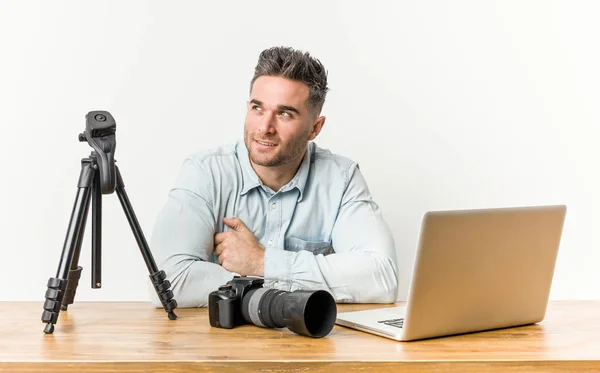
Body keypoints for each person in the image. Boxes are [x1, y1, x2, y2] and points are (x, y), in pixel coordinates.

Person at [150, 46, 398, 307]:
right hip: (220, 343)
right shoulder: (205, 172)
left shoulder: (341, 178)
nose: (264, 127)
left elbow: (382, 277)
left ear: (315, 128)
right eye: (257, 108)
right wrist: (289, 280)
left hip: (312, 343)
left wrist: (262, 262)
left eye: (284, 114)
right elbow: (169, 282)